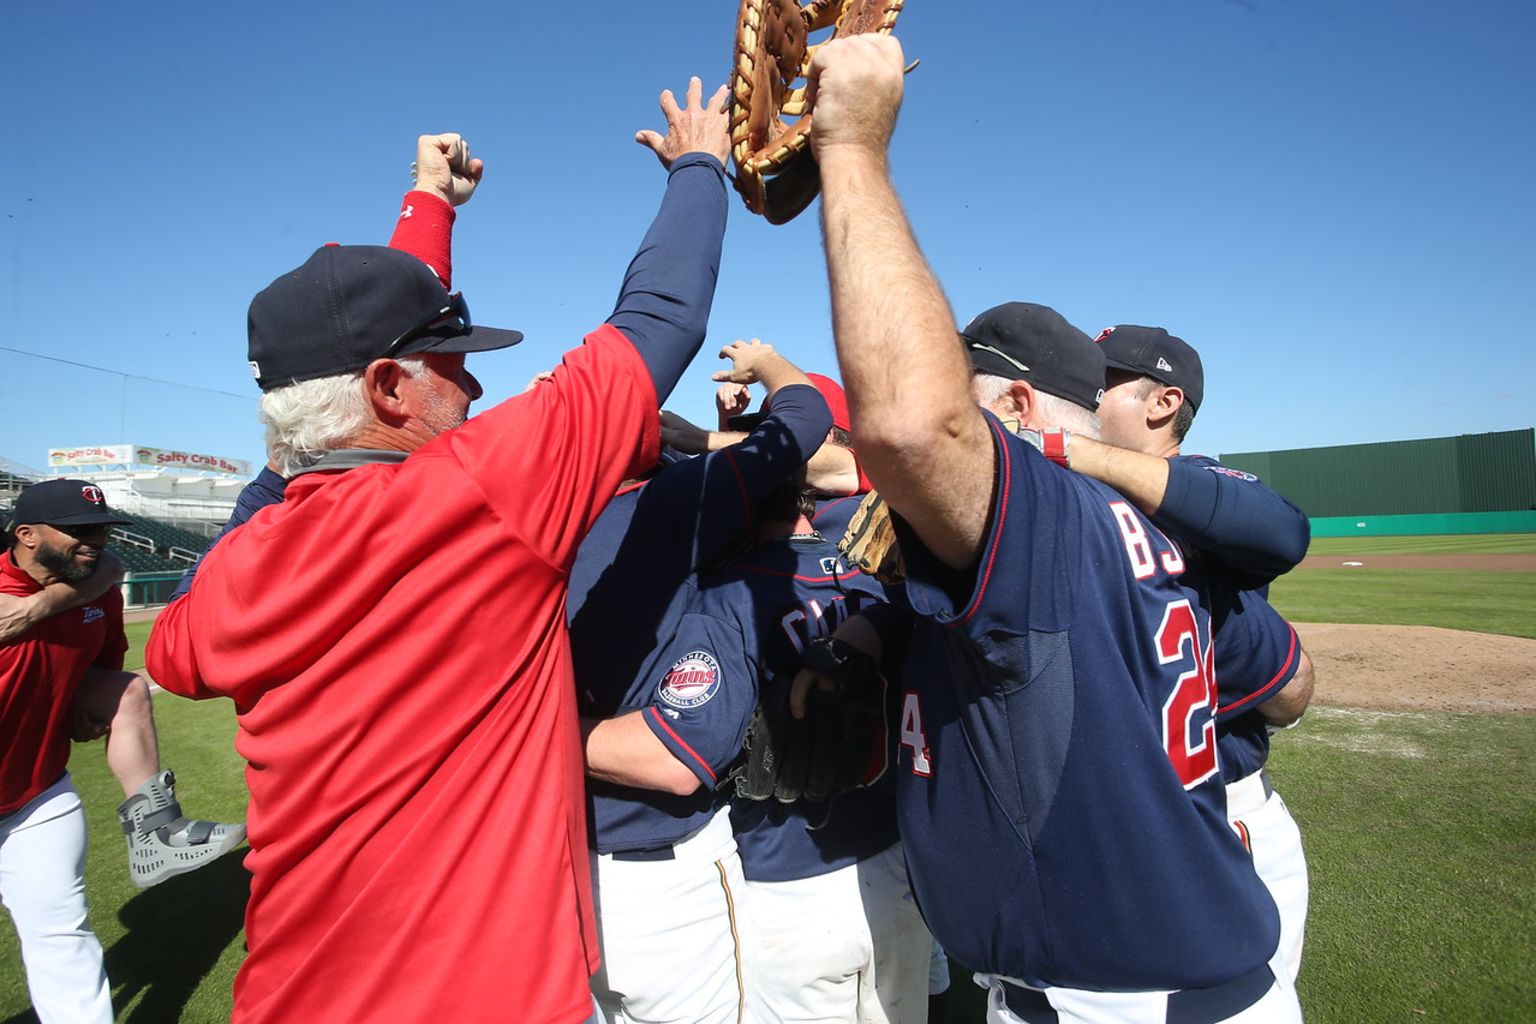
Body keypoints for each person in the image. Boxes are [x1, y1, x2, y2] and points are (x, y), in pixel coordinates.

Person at [145, 76, 733, 1024]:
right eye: (452, 363)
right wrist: (701, 166)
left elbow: (329, 418)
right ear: (384, 389)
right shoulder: (470, 498)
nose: (470, 383)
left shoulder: (227, 581)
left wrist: (429, 211)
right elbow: (659, 325)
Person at [802, 34, 1301, 1022]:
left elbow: (909, 423)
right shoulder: (1169, 536)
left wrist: (850, 148)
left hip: (1110, 996)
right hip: (1199, 969)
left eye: (969, 389)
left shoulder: (1037, 517)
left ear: (1019, 408)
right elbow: (1289, 683)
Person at [573, 339, 833, 1024]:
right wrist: (772, 365)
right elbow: (807, 419)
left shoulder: (513, 508)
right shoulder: (676, 512)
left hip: (549, 860)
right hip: (666, 873)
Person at [1061, 323, 1316, 982]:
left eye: (1105, 379)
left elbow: (1283, 530)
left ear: (1163, 404)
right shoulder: (1068, 500)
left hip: (1222, 810)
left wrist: (1073, 452)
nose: (1085, 392)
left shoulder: (1205, 487)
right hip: (1108, 816)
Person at [0, 481, 136, 1022]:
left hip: (36, 796)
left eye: (102, 528)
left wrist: (85, 706)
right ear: (26, 535)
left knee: (62, 933)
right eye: (79, 530)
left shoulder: (99, 585)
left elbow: (104, 667)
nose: (96, 539)